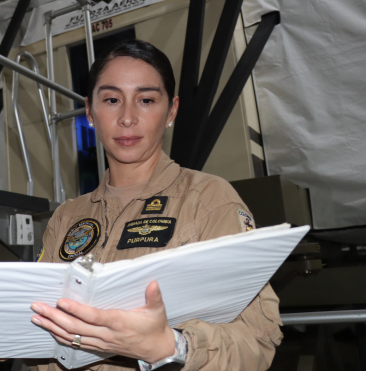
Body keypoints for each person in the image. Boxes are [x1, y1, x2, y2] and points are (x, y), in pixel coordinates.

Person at [29, 40, 283, 371]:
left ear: (171, 111)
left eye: (146, 100)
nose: (127, 118)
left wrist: (170, 346)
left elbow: (257, 342)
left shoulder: (207, 200)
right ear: (90, 113)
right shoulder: (67, 217)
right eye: (111, 100)